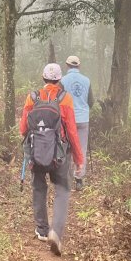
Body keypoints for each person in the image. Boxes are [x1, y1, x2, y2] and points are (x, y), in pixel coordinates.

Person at [19, 63, 83, 257]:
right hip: (59, 155)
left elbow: (23, 129)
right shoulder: (66, 98)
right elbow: (71, 131)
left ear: (43, 78)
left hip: (36, 152)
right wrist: (79, 158)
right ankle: (56, 230)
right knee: (62, 189)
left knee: (39, 187)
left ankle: (41, 230)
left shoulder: (32, 97)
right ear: (59, 79)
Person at [60, 55, 94, 191]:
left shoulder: (62, 81)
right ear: (79, 66)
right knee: (81, 148)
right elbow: (91, 101)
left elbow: (60, 101)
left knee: (66, 148)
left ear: (67, 65)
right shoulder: (87, 80)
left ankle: (66, 178)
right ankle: (79, 179)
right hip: (83, 119)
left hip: (68, 120)